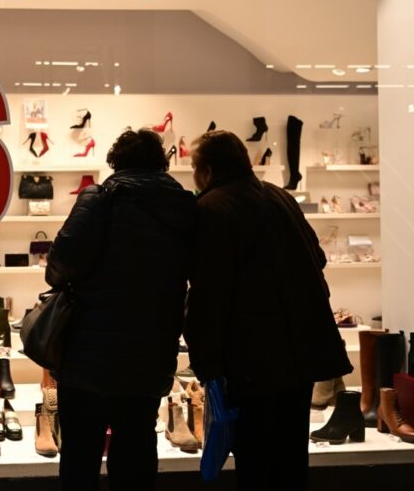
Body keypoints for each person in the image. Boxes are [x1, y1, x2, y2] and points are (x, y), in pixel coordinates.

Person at [185, 131, 352, 490]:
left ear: (207, 170)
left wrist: (206, 361)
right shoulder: (280, 197)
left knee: (256, 462)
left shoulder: (212, 208)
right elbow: (318, 257)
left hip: (251, 359)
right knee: (291, 459)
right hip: (301, 351)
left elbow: (210, 293)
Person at [46, 129, 196, 490]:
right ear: (161, 163)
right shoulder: (183, 207)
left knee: (81, 453)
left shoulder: (100, 198)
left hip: (89, 354)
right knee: (137, 449)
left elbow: (59, 267)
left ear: (116, 161)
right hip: (150, 353)